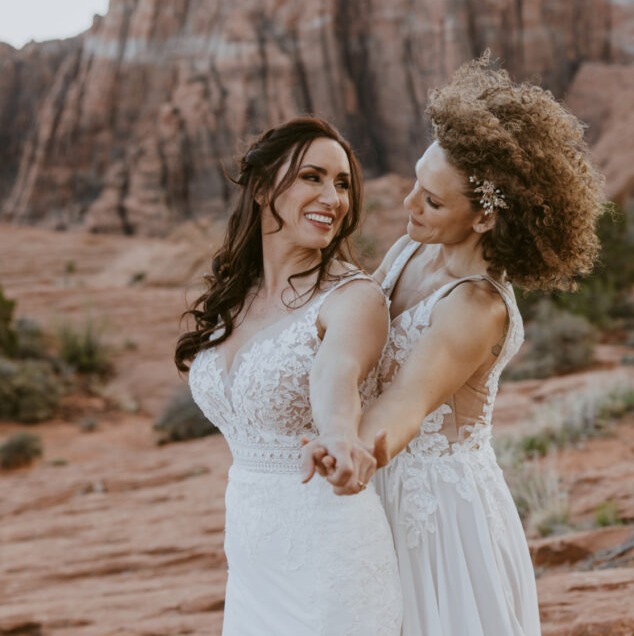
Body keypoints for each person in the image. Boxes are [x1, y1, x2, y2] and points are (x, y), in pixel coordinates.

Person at [304, 55, 605, 635]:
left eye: (433, 201)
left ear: (486, 218)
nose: (410, 205)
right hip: (377, 484)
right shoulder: (413, 248)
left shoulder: (476, 308)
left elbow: (407, 403)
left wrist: (346, 448)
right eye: (418, 182)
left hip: (437, 515)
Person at [176, 117, 402, 635]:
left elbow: (337, 374)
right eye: (312, 177)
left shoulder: (352, 298)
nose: (334, 197)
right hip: (251, 560)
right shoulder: (235, 296)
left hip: (330, 553)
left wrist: (340, 437)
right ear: (260, 189)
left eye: (343, 183)